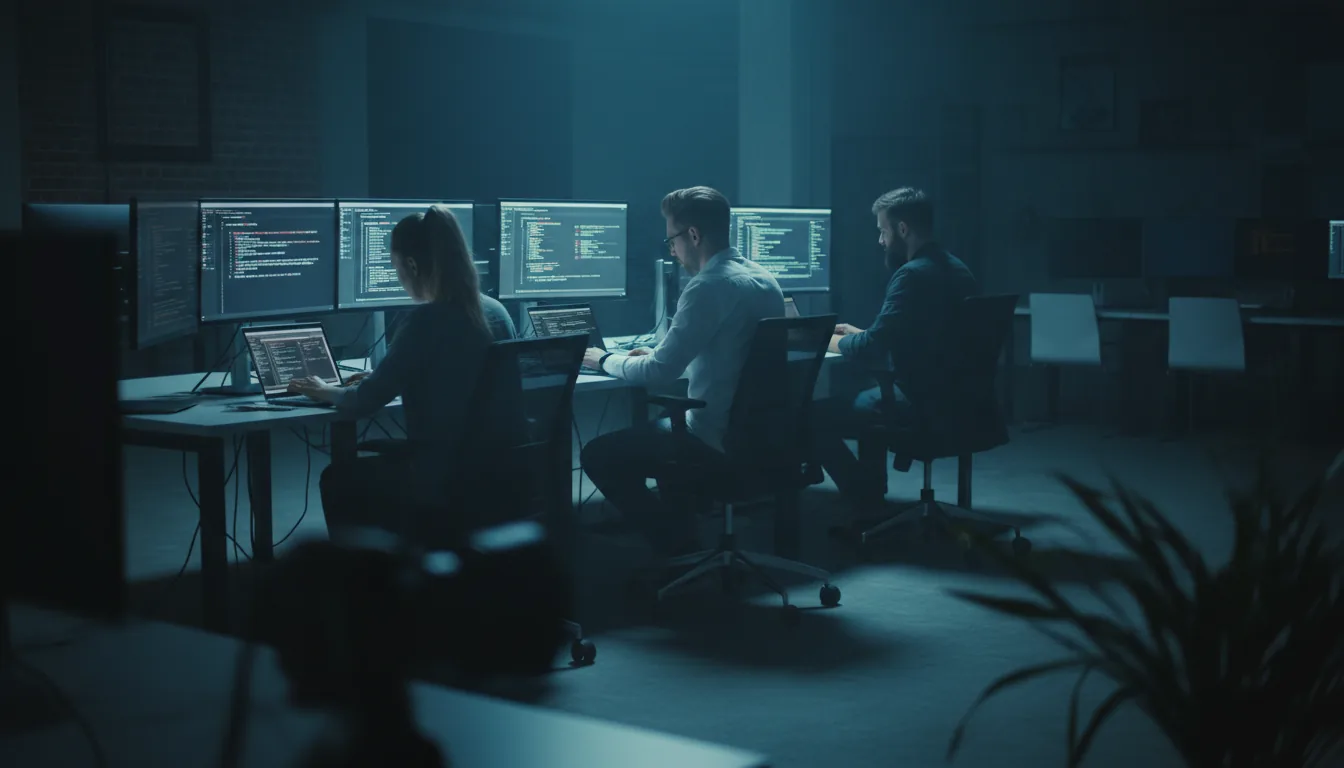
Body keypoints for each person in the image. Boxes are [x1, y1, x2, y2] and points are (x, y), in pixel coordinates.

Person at [287, 204, 517, 538]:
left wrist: (324, 389)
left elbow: (364, 401)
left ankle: (372, 582)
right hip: (500, 470)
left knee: (338, 479)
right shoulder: (496, 312)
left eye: (396, 267)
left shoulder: (425, 321)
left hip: (443, 475)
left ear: (411, 264)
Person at [579, 186, 784, 555]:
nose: (671, 250)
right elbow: (731, 354)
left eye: (672, 239)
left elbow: (659, 373)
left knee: (597, 454)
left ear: (693, 235)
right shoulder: (765, 280)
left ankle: (676, 545)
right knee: (664, 424)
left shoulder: (706, 286)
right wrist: (661, 352)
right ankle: (684, 535)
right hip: (760, 434)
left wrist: (603, 360)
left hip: (712, 435)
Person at [814, 187, 977, 506]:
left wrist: (826, 339)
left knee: (812, 416)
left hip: (921, 400)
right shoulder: (958, 270)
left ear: (903, 229)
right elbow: (924, 336)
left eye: (883, 231)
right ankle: (872, 495)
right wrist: (863, 333)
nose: (880, 241)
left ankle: (865, 496)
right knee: (869, 397)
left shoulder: (912, 276)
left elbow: (871, 349)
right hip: (962, 400)